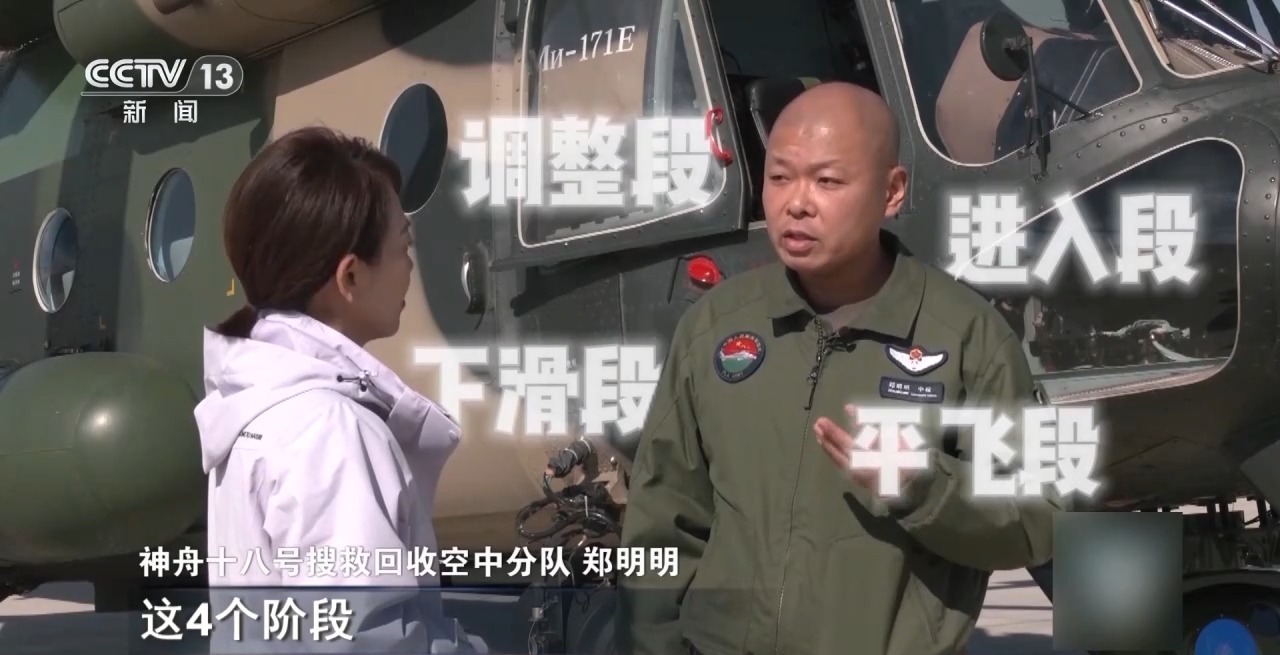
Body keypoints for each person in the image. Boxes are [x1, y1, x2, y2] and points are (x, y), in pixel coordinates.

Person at [616, 82, 1064, 655]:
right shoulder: (714, 327)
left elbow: (1039, 519)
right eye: (780, 177)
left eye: (827, 181)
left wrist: (921, 486)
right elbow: (661, 520)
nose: (796, 203)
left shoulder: (965, 337)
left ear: (891, 191)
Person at [194, 126, 484, 653]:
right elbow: (366, 640)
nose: (410, 266)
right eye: (403, 246)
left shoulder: (251, 405)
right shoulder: (330, 429)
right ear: (350, 277)